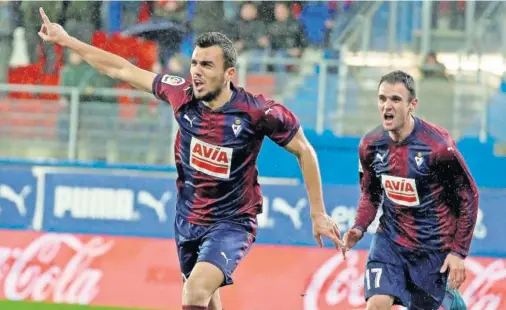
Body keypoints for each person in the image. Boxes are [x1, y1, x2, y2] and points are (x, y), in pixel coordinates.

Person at [37, 7, 344, 310]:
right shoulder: (180, 94)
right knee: (207, 300)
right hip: (188, 220)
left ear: (228, 74)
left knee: (194, 291)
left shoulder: (257, 112)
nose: (196, 70)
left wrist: (317, 213)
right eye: (195, 63)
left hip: (232, 222)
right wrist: (67, 41)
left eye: (207, 65)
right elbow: (121, 69)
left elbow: (304, 149)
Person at [342, 70, 478, 310]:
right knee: (376, 304)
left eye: (395, 99)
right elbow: (371, 194)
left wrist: (458, 252)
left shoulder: (438, 146)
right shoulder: (370, 145)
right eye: (382, 98)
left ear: (412, 104)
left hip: (432, 249)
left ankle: (451, 301)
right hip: (390, 242)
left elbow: (468, 196)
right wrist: (359, 227)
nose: (387, 105)